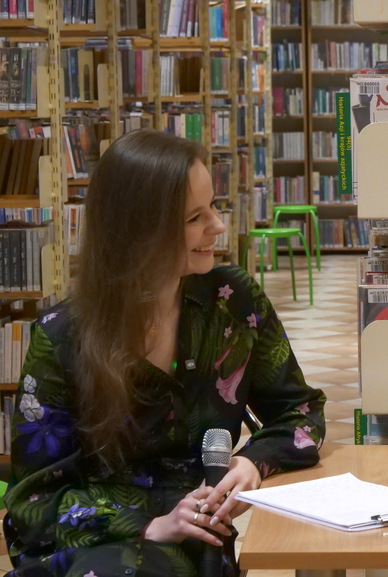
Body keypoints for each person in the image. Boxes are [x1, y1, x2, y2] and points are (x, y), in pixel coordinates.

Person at [3, 129, 328, 576]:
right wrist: (148, 525)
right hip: (91, 547)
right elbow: (33, 500)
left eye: (213, 206)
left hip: (199, 538)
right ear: (139, 231)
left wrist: (253, 461)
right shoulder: (62, 335)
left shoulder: (233, 303)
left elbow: (301, 413)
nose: (218, 226)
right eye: (195, 217)